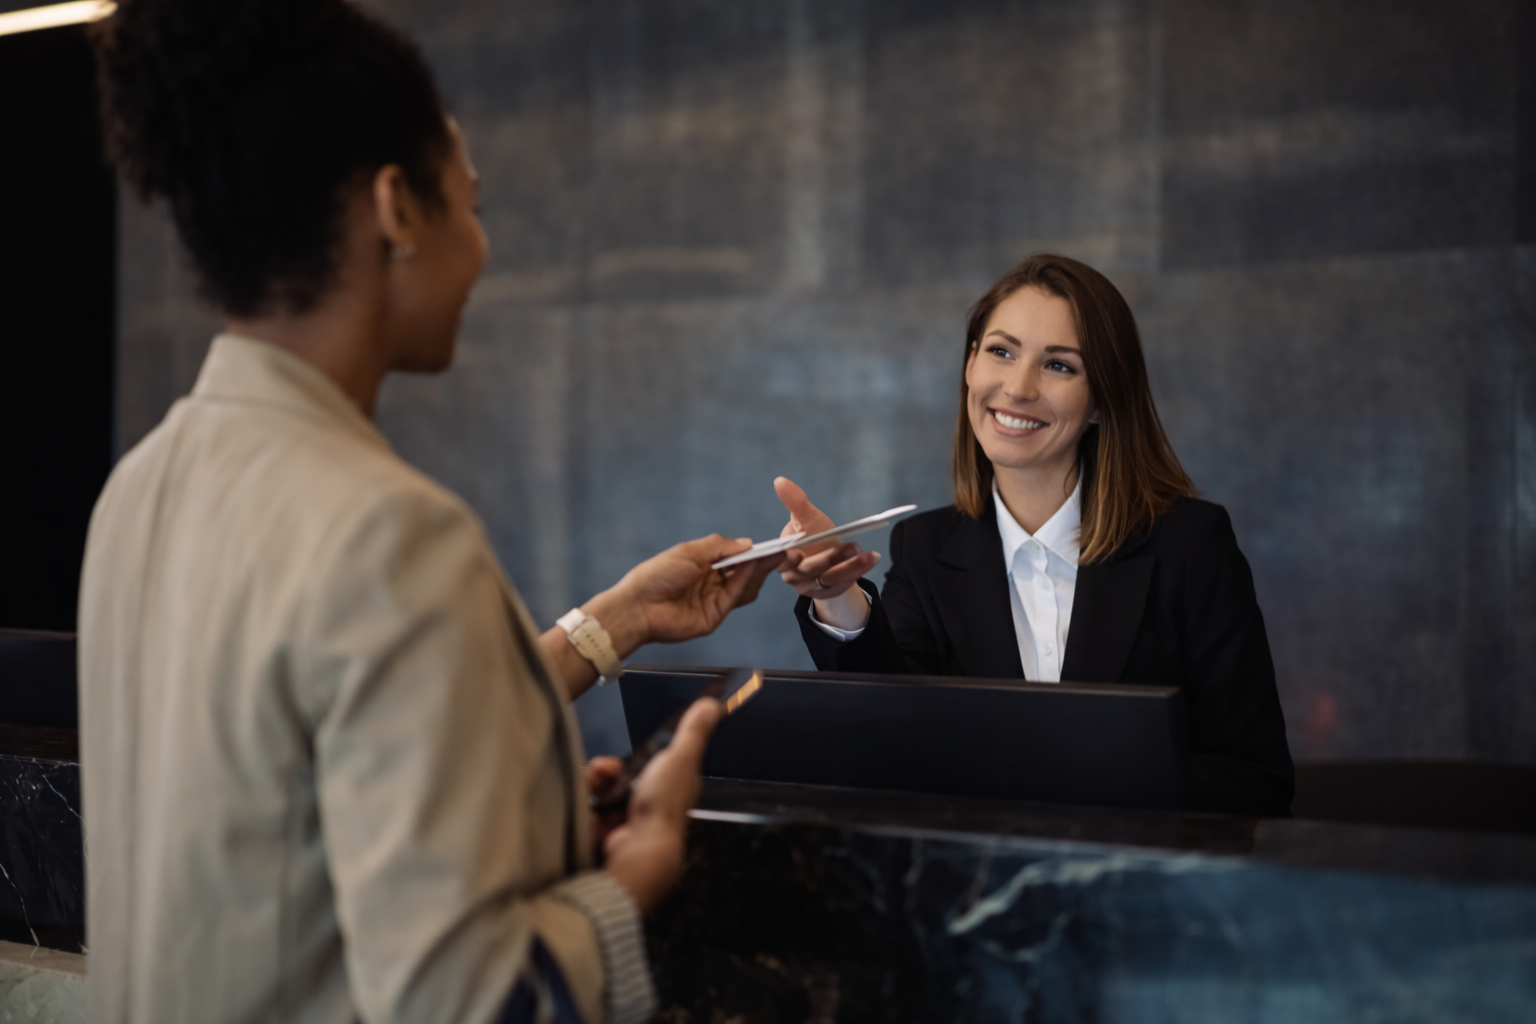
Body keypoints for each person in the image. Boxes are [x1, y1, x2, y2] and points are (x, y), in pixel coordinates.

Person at [80, 2, 783, 1022]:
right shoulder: (390, 531)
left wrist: (616, 623)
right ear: (396, 211)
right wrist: (633, 878)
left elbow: (291, 790)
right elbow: (468, 999)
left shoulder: (139, 488)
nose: (484, 245)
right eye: (472, 201)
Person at [775, 254, 1293, 816]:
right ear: (970, 366)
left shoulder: (1191, 545)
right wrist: (839, 597)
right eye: (1001, 351)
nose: (1018, 388)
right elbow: (891, 732)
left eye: (1060, 366)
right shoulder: (924, 548)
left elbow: (1255, 779)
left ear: (1101, 402)